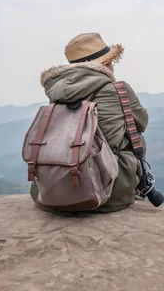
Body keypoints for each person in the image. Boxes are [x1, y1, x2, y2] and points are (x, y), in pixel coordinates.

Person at [31, 32, 149, 213]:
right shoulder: (119, 89)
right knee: (136, 136)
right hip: (110, 194)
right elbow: (142, 122)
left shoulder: (58, 92)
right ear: (106, 63)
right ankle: (137, 186)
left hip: (56, 189)